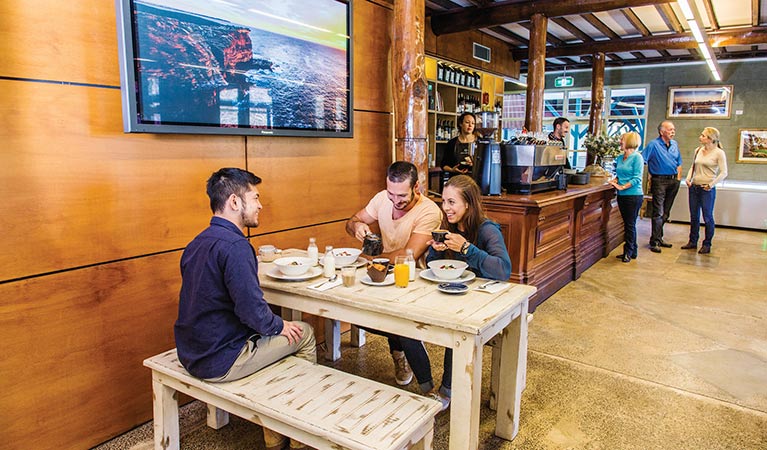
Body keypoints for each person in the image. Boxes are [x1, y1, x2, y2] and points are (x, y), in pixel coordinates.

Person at [175, 168, 316, 450]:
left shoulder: (196, 243)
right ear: (235, 202)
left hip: (191, 351)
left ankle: (276, 428)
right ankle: (296, 436)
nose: (260, 205)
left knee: (279, 338)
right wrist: (279, 326)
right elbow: (252, 311)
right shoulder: (237, 246)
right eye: (255, 197)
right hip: (221, 358)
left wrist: (271, 326)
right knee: (306, 334)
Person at [394, 175, 512, 410]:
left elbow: (503, 270)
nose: (445, 208)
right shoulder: (447, 228)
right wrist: (437, 252)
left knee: (456, 330)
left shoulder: (487, 230)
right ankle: (427, 388)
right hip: (449, 295)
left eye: (451, 202)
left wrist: (467, 248)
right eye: (444, 202)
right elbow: (437, 269)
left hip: (480, 302)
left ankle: (447, 391)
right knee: (402, 323)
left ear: (468, 203)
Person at [345, 161, 442, 386]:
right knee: (356, 313)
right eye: (391, 194)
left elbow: (408, 255)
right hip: (384, 273)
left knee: (399, 323)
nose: (395, 202)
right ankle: (400, 353)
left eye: (401, 196)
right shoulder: (382, 198)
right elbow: (351, 221)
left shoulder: (429, 211)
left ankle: (424, 383)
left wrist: (366, 259)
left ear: (416, 188)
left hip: (416, 280)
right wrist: (357, 226)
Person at [681, 127, 728, 254]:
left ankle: (707, 243)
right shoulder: (698, 150)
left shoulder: (719, 153)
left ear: (710, 139)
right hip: (694, 187)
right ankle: (692, 241)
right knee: (694, 216)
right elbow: (693, 166)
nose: (700, 137)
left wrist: (711, 184)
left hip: (706, 189)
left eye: (703, 135)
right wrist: (688, 178)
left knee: (707, 217)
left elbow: (724, 172)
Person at [641, 121, 683, 253]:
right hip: (659, 181)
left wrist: (678, 179)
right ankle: (654, 241)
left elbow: (679, 162)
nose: (673, 131)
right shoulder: (653, 145)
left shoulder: (675, 144)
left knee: (666, 212)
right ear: (661, 131)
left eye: (673, 129)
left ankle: (659, 237)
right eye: (670, 129)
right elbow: (642, 160)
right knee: (658, 212)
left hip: (673, 181)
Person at [609, 132, 645, 263]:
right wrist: (614, 181)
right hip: (622, 196)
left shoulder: (637, 158)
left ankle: (628, 251)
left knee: (630, 224)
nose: (619, 141)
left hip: (633, 195)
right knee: (627, 224)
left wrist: (622, 187)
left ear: (629, 141)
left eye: (622, 139)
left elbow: (636, 178)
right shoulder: (620, 158)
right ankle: (633, 250)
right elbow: (620, 174)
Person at [440, 112, 477, 177]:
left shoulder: (479, 142)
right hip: (456, 180)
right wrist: (452, 170)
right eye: (467, 122)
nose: (470, 125)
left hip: (475, 180)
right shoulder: (452, 143)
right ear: (460, 124)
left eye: (473, 123)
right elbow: (444, 165)